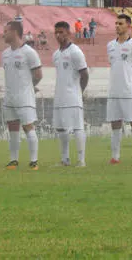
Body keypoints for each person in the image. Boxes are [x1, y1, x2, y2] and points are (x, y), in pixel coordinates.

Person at [2, 21, 43, 170]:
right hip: (9, 97)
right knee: (12, 127)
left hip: (24, 97)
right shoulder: (5, 54)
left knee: (28, 127)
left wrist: (28, 87)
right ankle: (13, 160)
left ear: (14, 32)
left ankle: (34, 161)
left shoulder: (29, 52)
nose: (3, 34)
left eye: (5, 31)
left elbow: (38, 75)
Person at [107, 14, 132, 165]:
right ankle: (115, 157)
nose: (117, 26)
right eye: (116, 23)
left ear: (128, 26)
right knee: (115, 124)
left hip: (129, 91)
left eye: (120, 23)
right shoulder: (110, 45)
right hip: (114, 91)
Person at [52, 21, 89, 167]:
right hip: (59, 96)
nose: (58, 35)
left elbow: (84, 74)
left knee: (77, 127)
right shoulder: (56, 54)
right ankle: (65, 159)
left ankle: (81, 160)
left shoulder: (75, 52)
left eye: (61, 32)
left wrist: (79, 91)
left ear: (68, 33)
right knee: (61, 128)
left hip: (72, 96)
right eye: (56, 32)